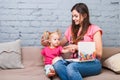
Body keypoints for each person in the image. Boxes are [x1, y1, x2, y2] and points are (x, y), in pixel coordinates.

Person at [41, 3, 103, 80]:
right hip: (74, 62)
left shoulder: (95, 29)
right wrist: (48, 43)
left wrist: (77, 47)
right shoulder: (71, 29)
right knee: (56, 63)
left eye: (76, 16)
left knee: (71, 67)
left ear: (84, 15)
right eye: (72, 16)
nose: (73, 18)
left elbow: (99, 53)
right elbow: (59, 44)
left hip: (92, 63)